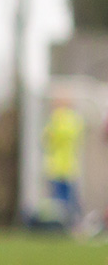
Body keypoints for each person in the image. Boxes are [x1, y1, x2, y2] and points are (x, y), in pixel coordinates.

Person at [44, 95, 84, 229]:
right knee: (60, 200)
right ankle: (62, 226)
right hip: (60, 167)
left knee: (66, 200)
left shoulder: (61, 119)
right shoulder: (67, 119)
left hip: (64, 167)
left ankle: (70, 225)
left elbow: (49, 137)